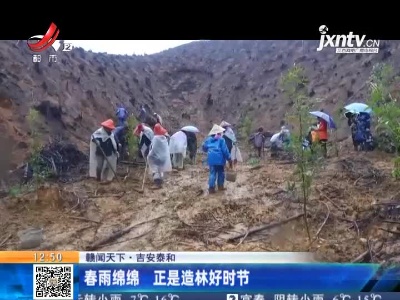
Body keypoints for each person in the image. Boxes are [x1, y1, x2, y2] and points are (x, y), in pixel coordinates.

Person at [202, 124, 233, 193]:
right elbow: (225, 150)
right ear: (218, 133)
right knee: (221, 172)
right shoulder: (221, 140)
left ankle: (211, 188)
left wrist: (208, 150)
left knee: (212, 173)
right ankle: (220, 186)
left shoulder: (208, 140)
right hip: (220, 159)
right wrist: (229, 159)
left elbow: (204, 148)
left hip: (211, 159)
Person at [147, 124, 172, 188]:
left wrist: (149, 155)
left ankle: (157, 184)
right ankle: (161, 181)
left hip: (156, 157)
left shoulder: (156, 138)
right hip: (163, 157)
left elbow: (154, 148)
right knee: (161, 169)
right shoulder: (163, 137)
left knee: (155, 169)